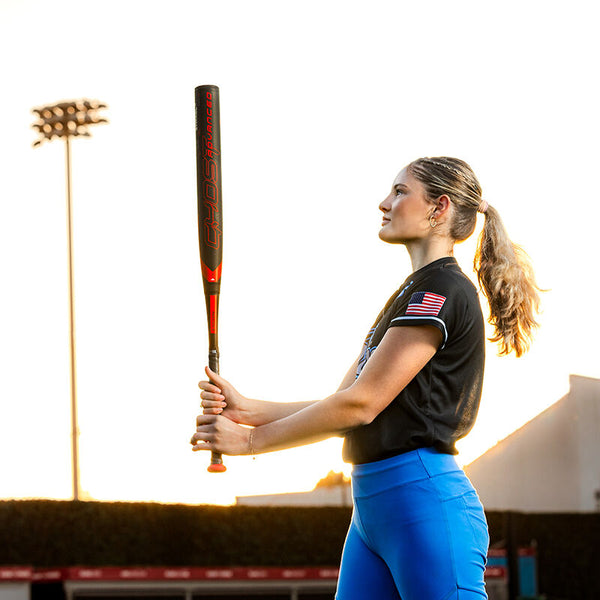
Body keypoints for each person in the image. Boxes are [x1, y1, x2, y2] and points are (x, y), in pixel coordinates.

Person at [190, 156, 542, 600]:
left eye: (399, 192)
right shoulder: (410, 293)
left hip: (422, 503)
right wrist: (249, 411)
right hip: (373, 513)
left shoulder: (441, 291)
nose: (384, 203)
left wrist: (249, 443)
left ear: (439, 208)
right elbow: (345, 400)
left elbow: (360, 406)